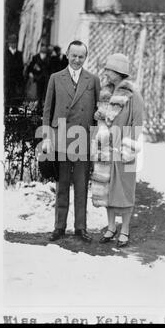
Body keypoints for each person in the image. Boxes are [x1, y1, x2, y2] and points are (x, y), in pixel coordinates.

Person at [42, 40, 100, 242]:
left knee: (82, 185)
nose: (77, 60)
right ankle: (59, 227)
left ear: (86, 58)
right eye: (73, 55)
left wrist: (94, 138)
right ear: (67, 55)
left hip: (82, 138)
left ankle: (80, 228)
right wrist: (48, 137)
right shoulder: (56, 78)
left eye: (81, 56)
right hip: (62, 138)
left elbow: (97, 113)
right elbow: (48, 110)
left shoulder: (93, 80)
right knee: (62, 184)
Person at [91, 53, 144, 247]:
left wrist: (127, 147)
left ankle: (125, 230)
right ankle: (111, 227)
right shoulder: (105, 94)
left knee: (125, 190)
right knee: (107, 189)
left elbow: (137, 124)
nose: (105, 73)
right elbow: (100, 120)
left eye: (109, 70)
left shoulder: (133, 96)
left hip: (124, 150)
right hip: (106, 149)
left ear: (119, 72)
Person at [27, 44, 50, 115]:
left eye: (44, 53)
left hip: (46, 80)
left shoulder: (49, 58)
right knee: (36, 95)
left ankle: (42, 109)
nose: (43, 54)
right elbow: (30, 67)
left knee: (44, 95)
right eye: (42, 52)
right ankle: (35, 109)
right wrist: (31, 72)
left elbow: (50, 69)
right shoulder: (35, 57)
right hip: (37, 79)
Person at [4, 34, 24, 113]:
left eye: (15, 43)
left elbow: (21, 67)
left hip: (16, 79)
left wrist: (20, 80)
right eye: (11, 43)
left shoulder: (19, 54)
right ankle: (6, 110)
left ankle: (15, 111)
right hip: (8, 79)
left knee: (16, 96)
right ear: (9, 43)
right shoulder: (5, 53)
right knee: (7, 96)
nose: (13, 44)